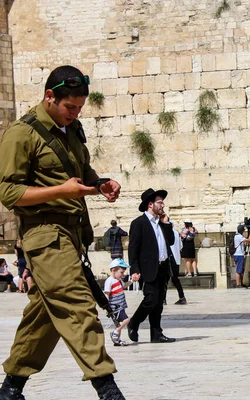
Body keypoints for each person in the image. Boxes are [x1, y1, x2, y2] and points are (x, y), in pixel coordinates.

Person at [0, 65, 125, 399]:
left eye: (80, 108)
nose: (75, 114)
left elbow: (81, 174)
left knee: (45, 314)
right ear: (50, 96)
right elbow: (9, 194)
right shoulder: (21, 134)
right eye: (70, 107)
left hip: (71, 235)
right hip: (43, 234)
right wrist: (61, 191)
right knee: (77, 306)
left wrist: (100, 184)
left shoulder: (71, 130)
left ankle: (11, 388)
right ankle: (107, 388)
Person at [127, 188, 176, 344]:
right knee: (151, 300)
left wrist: (166, 223)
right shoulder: (138, 223)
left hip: (163, 268)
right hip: (149, 269)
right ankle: (134, 323)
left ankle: (156, 334)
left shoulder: (160, 223)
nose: (163, 205)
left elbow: (171, 241)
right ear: (150, 204)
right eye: (160, 202)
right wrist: (134, 269)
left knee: (158, 303)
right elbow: (133, 249)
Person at [104, 258, 132, 347]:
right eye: (121, 272)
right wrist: (107, 307)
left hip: (120, 306)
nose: (123, 275)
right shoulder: (109, 281)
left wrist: (132, 281)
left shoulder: (118, 280)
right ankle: (114, 333)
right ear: (113, 270)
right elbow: (107, 294)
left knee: (119, 323)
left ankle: (117, 340)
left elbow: (124, 286)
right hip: (115, 307)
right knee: (126, 320)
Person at [168, 225, 187, 305]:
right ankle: (182, 297)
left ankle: (162, 299)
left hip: (169, 259)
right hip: (176, 259)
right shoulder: (176, 232)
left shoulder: (166, 232)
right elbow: (180, 246)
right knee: (175, 279)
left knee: (164, 279)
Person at [233, 224, 250, 288]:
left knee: (239, 270)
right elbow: (249, 240)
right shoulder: (239, 237)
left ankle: (239, 283)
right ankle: (238, 284)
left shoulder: (237, 236)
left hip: (238, 254)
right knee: (238, 270)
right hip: (239, 254)